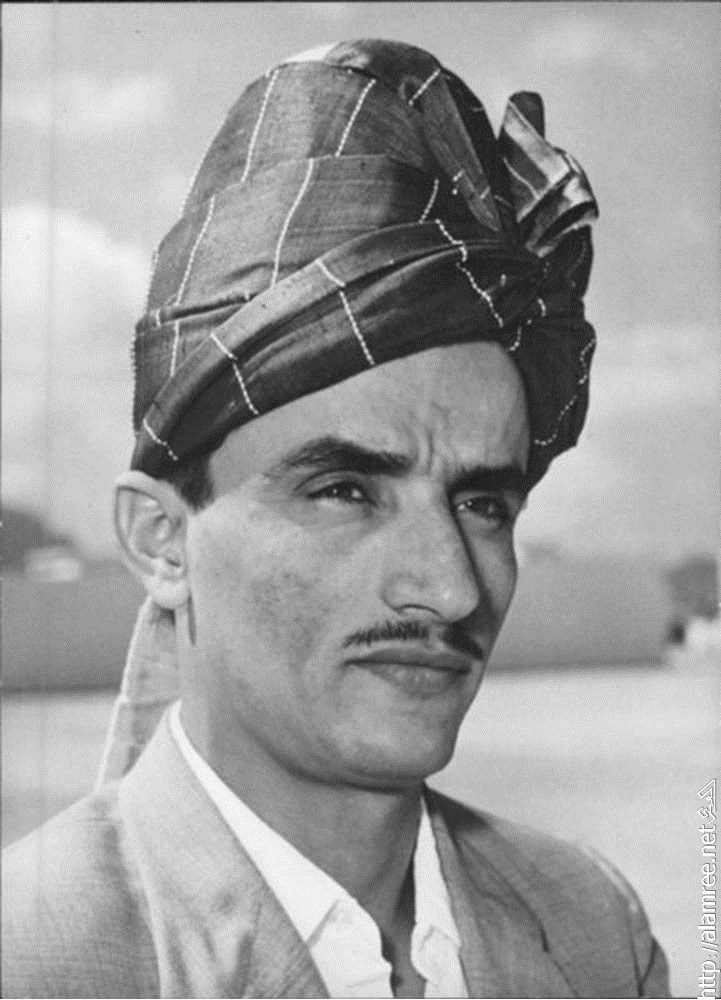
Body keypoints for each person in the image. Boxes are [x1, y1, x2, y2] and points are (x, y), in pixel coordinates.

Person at [2, 39, 670, 999]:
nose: (449, 586)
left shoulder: (592, 927)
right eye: (345, 490)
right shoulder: (33, 961)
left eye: (482, 503)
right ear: (162, 541)